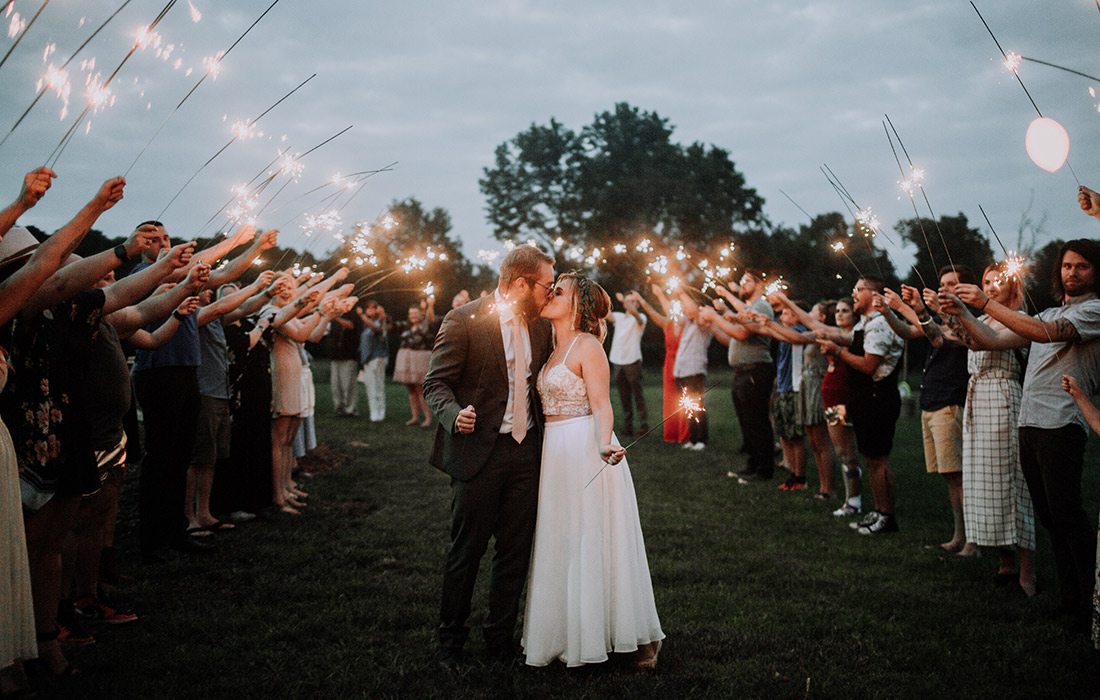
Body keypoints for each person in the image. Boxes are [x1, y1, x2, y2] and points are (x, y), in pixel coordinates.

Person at [943, 239, 1100, 636]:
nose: (1072, 272)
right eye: (1067, 266)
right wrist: (961, 310)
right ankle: (1070, 602)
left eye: (1082, 266)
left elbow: (1046, 334)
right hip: (1030, 422)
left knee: (1067, 514)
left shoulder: (1094, 311)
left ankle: (1088, 603)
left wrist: (983, 304)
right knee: (1049, 517)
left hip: (1063, 421)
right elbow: (993, 340)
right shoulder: (1049, 310)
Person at [522, 272, 664, 669]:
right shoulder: (553, 347)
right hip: (555, 450)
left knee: (591, 537)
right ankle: (567, 633)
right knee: (562, 535)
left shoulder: (587, 346)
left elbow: (602, 404)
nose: (550, 295)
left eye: (558, 291)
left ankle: (616, 636)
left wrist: (605, 443)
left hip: (585, 446)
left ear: (578, 306)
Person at [423, 244, 555, 669]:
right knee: (467, 550)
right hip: (480, 453)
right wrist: (452, 414)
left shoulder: (541, 326)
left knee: (515, 551)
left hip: (527, 451)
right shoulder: (463, 320)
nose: (549, 294)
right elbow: (435, 384)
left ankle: (500, 639)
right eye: (545, 286)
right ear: (521, 284)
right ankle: (451, 643)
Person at [933, 263, 1036, 595]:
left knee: (1010, 483)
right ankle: (1005, 563)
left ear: (1013, 287)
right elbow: (961, 337)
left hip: (1003, 399)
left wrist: (961, 312)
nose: (991, 286)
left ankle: (1027, 574)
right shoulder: (985, 318)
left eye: (999, 282)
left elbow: (985, 342)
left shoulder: (1018, 319)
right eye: (987, 281)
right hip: (978, 401)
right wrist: (938, 310)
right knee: (985, 484)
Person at [816, 276, 904, 535]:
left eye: (859, 289)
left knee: (878, 460)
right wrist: (831, 339)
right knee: (871, 458)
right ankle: (878, 511)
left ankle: (887, 516)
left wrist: (838, 351)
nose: (853, 293)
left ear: (875, 295)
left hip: (878, 397)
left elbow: (868, 365)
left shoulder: (879, 325)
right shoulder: (867, 323)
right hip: (867, 398)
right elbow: (850, 340)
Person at [711, 271, 775, 482]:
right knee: (747, 422)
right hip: (742, 371)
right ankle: (753, 464)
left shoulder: (761, 307)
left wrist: (717, 313)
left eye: (747, 281)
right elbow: (732, 337)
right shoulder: (746, 309)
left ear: (760, 284)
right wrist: (718, 317)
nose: (742, 284)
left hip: (755, 370)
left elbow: (742, 333)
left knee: (757, 422)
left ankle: (764, 469)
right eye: (741, 281)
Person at [631, 285, 689, 443]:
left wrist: (661, 294)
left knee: (685, 398)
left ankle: (686, 435)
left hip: (685, 362)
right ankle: (671, 434)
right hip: (670, 363)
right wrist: (644, 299)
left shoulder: (688, 324)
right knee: (670, 399)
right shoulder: (667, 324)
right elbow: (651, 311)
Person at [608, 291, 649, 436]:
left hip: (632, 361)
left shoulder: (640, 318)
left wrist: (624, 300)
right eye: (628, 301)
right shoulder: (619, 317)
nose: (630, 303)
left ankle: (643, 426)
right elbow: (605, 314)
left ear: (637, 304)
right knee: (624, 396)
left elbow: (635, 313)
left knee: (638, 395)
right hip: (617, 361)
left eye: (633, 301)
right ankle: (628, 427)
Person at [393, 299, 437, 427]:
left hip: (420, 358)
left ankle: (428, 418)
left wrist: (430, 305)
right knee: (410, 389)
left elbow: (430, 318)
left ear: (421, 314)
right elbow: (391, 326)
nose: (413, 316)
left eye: (415, 313)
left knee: (420, 389)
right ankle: (415, 416)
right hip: (406, 358)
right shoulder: (406, 326)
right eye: (411, 314)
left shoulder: (425, 325)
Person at [329, 302, 363, 417]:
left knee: (348, 384)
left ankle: (351, 409)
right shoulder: (334, 317)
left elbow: (351, 325)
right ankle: (339, 407)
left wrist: (336, 318)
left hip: (349, 355)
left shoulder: (353, 315)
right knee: (335, 384)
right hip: (335, 356)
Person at [357, 300, 389, 422]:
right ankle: (375, 412)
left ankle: (379, 413)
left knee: (378, 386)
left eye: (372, 308)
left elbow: (377, 329)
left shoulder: (380, 322)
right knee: (371, 386)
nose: (369, 310)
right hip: (367, 359)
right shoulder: (365, 325)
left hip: (378, 358)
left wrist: (362, 316)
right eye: (368, 308)